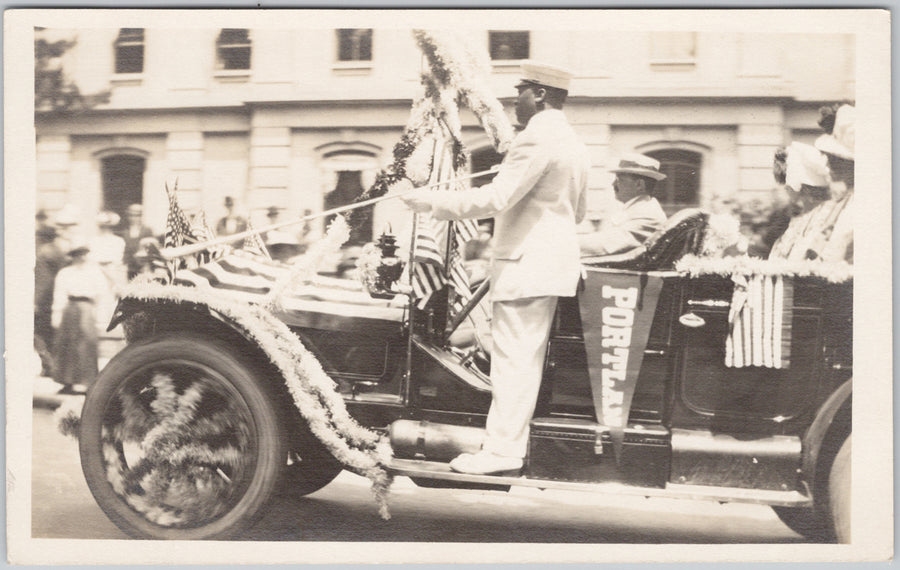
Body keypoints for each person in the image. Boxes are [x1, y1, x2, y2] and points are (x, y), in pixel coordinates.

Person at [402, 61, 590, 475]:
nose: (513, 100)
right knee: (520, 360)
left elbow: (497, 198)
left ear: (539, 94)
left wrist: (430, 202)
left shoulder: (538, 135)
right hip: (543, 267)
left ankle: (503, 453)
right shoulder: (571, 138)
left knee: (514, 363)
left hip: (526, 267)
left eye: (520, 91)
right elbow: (577, 211)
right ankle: (505, 446)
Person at [579, 153, 668, 257]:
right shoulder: (640, 208)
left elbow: (605, 245)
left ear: (639, 184)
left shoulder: (647, 214)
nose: (613, 185)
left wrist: (564, 241)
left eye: (619, 180)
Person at [51, 239, 107, 394]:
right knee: (67, 345)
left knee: (87, 344)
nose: (82, 258)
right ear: (73, 256)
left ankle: (88, 383)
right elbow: (59, 294)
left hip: (87, 308)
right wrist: (56, 315)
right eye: (78, 254)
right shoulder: (65, 273)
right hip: (70, 309)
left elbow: (102, 295)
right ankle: (67, 382)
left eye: (84, 254)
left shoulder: (95, 273)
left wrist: (101, 317)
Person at [121, 203, 155, 280]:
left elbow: (152, 251)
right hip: (129, 269)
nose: (134, 218)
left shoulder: (147, 230)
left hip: (144, 268)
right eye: (131, 215)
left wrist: (147, 266)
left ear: (141, 216)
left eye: (137, 215)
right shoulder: (125, 232)